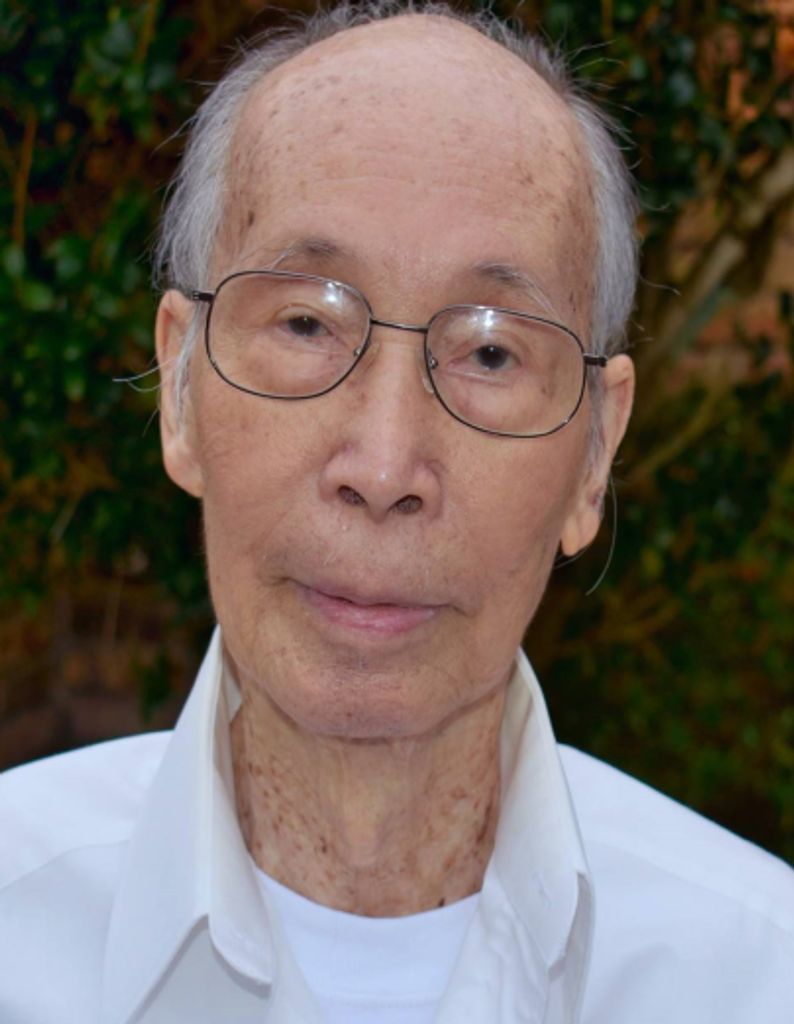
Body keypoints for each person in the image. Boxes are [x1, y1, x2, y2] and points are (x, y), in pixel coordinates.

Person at [1, 3, 792, 1022]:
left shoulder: (754, 976)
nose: (382, 467)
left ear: (595, 452)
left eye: (490, 351)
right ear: (181, 387)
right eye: (305, 323)